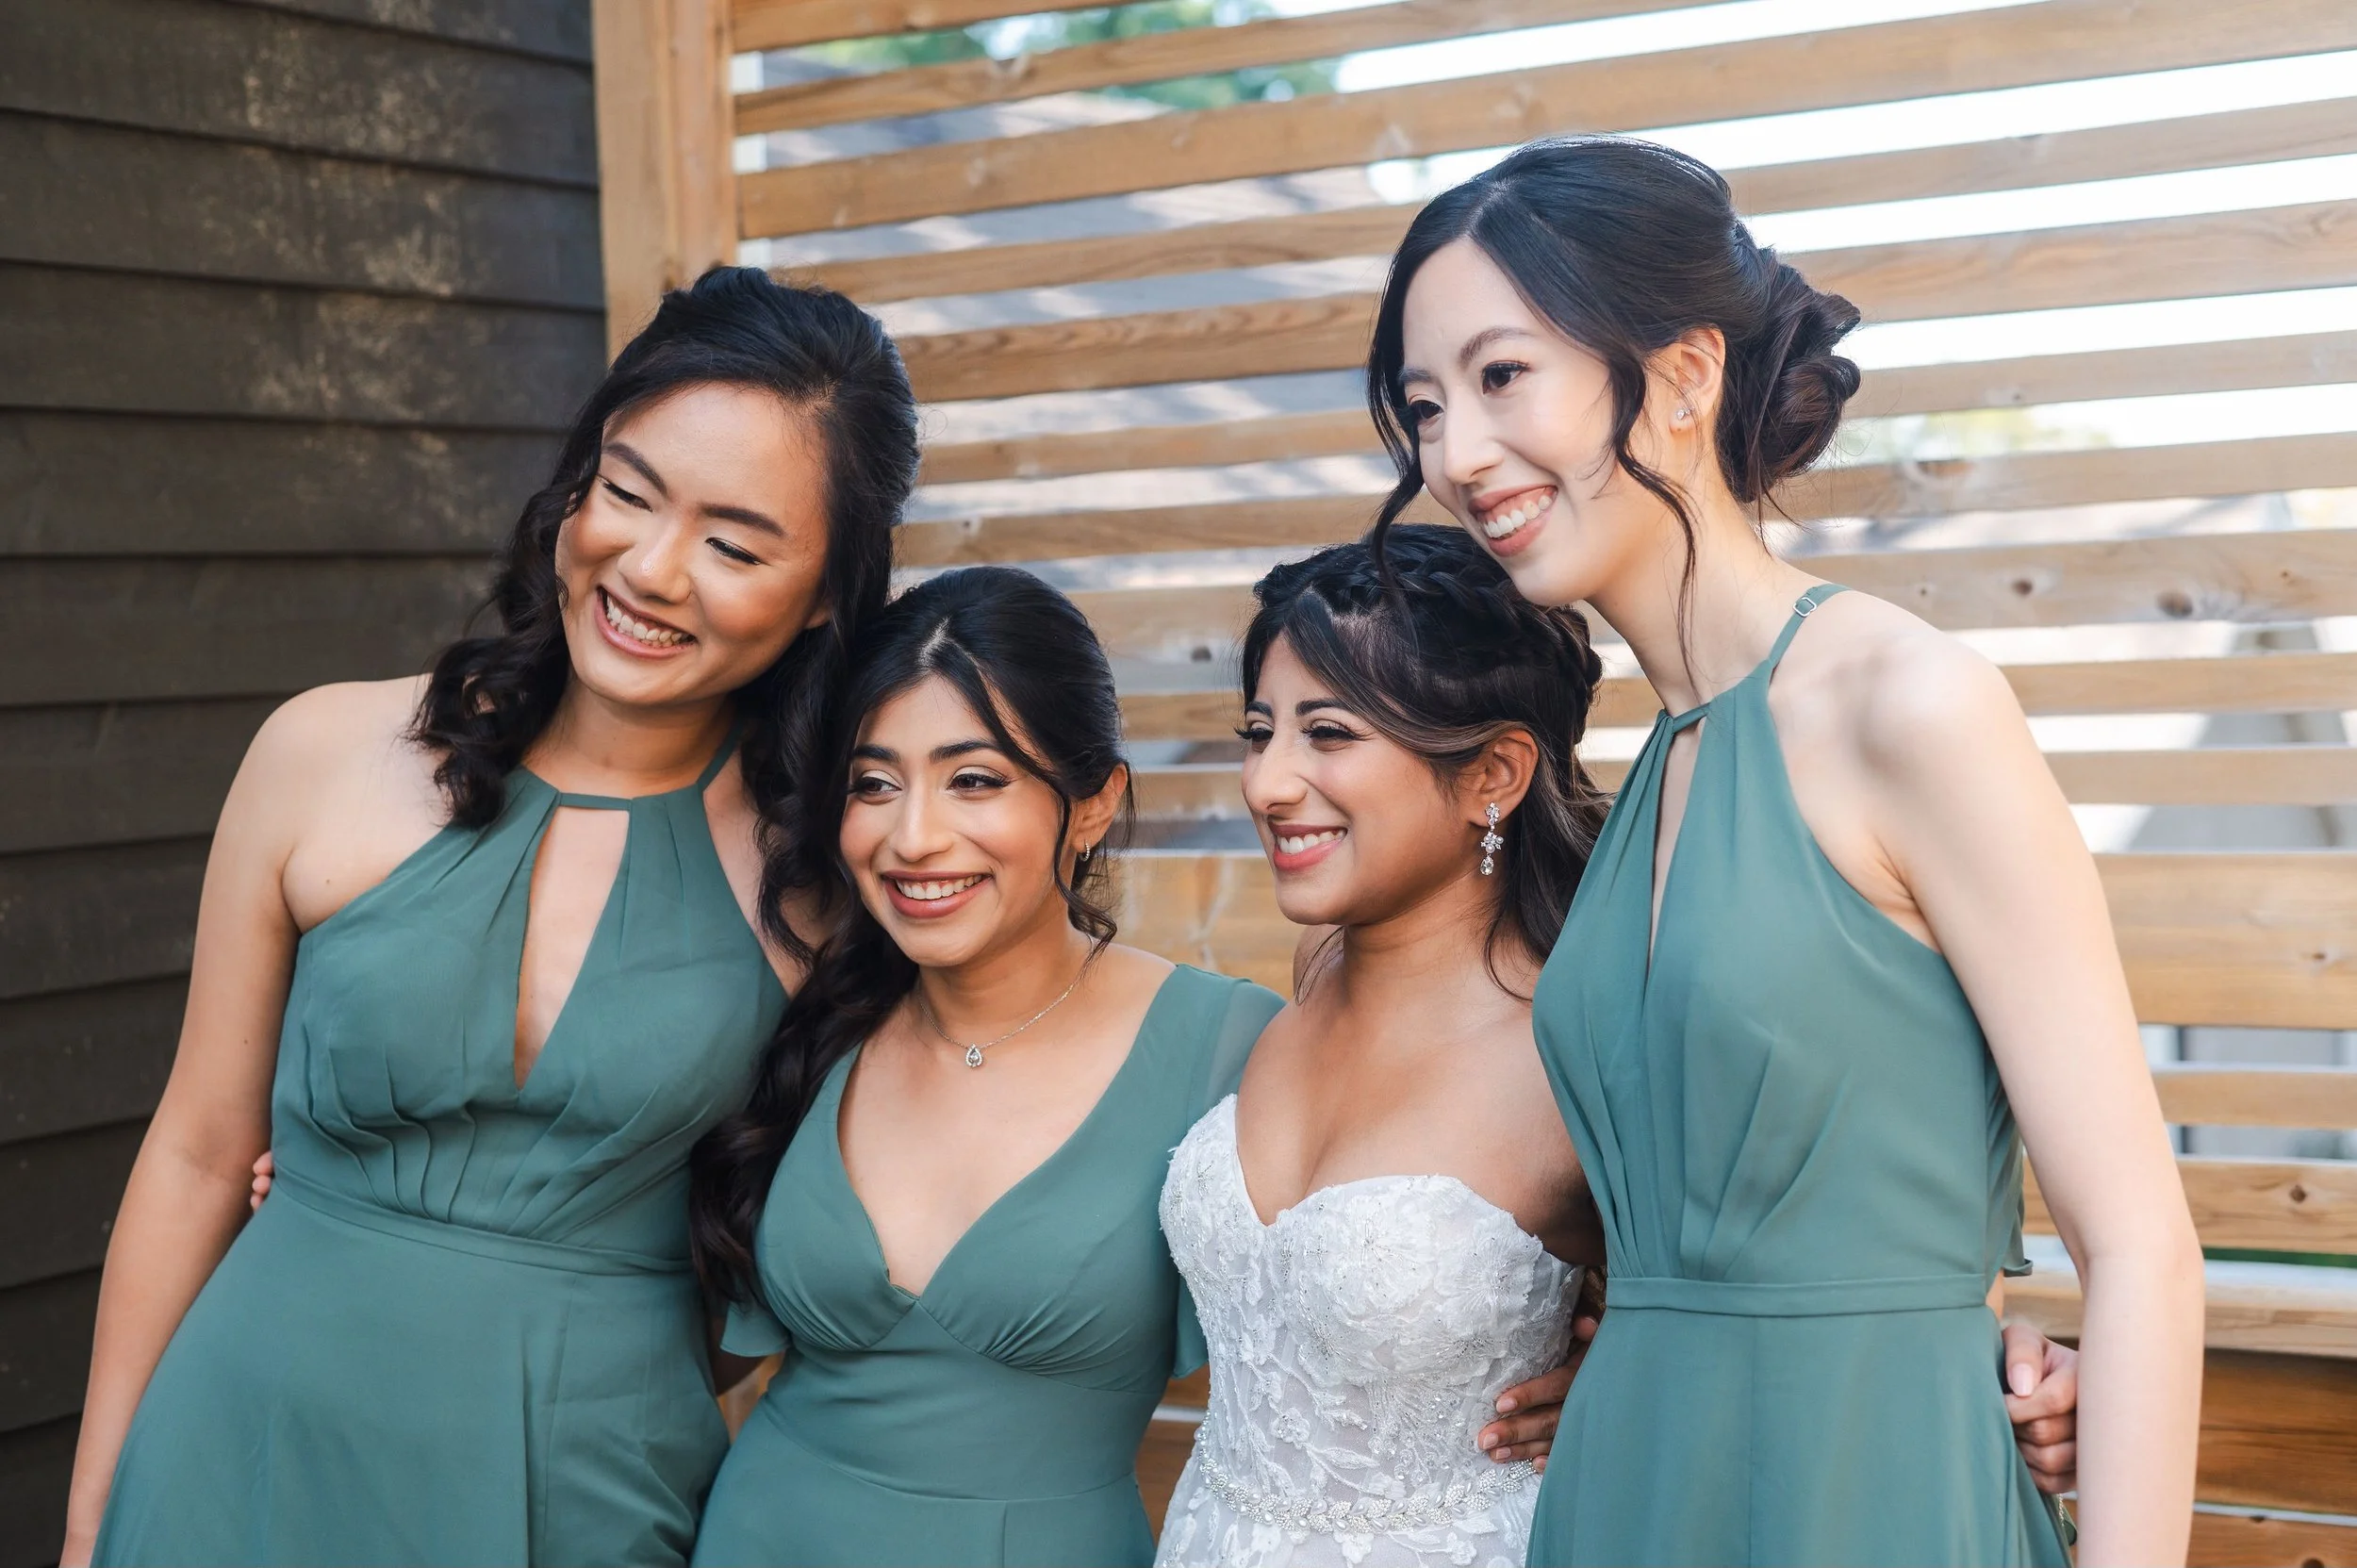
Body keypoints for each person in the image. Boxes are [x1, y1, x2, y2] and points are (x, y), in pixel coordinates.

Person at [1369, 136, 2201, 1567]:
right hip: (1629, 1484)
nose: (1452, 453)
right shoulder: (1651, 779)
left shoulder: (1908, 702)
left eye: (1502, 376)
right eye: (1425, 405)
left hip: (1869, 1492)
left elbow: (2140, 1246)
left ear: (1681, 377)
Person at [66, 269, 917, 1567]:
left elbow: (817, 1251)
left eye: (735, 544)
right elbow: (195, 1151)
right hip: (238, 1443)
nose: (650, 567)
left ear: (822, 599)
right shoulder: (324, 749)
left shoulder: (827, 878)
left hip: (589, 1487)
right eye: (627, 490)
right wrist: (90, 1521)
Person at [1155, 527, 2083, 1568]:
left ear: (1493, 773)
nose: (1266, 783)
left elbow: (1803, 1254)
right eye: (1257, 729)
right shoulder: (1312, 981)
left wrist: (2001, 1354)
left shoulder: (1590, 1041)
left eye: (1327, 734)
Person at [684, 566, 1581, 1568]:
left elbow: (1506, 1247)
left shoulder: (1238, 1042)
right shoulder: (818, 1023)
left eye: (973, 777)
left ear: (1094, 801)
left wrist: (1597, 1354)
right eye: (873, 782)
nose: (913, 834)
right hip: (763, 1529)